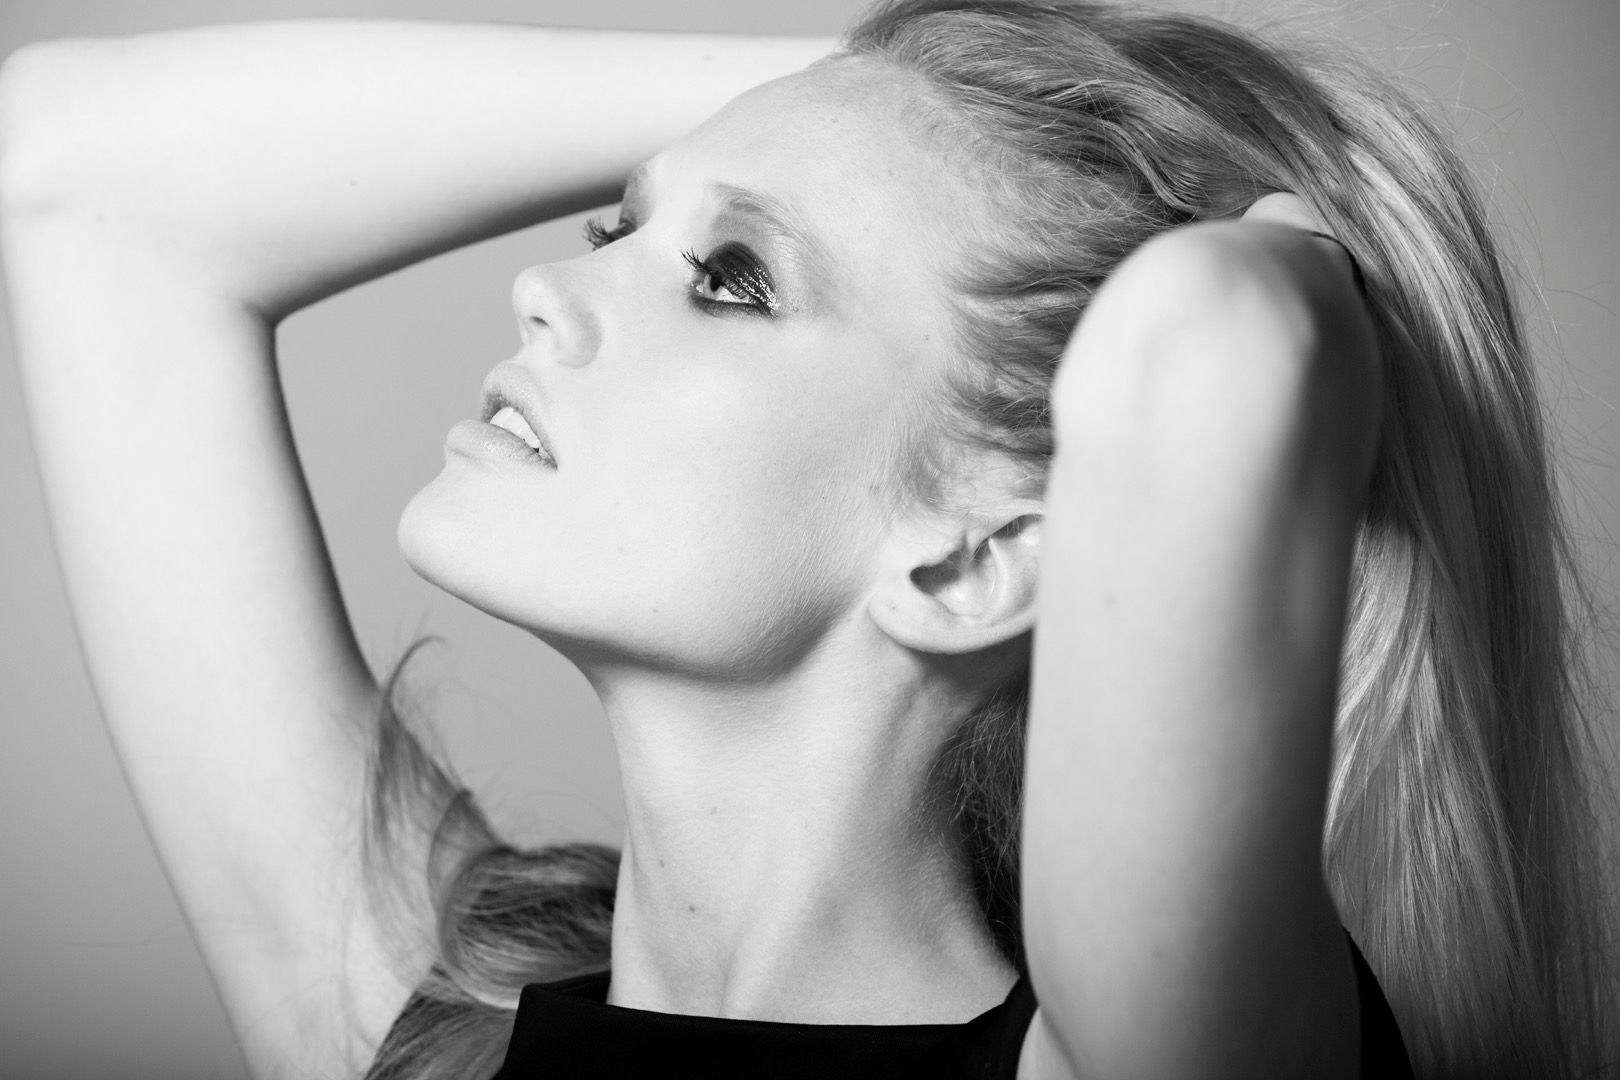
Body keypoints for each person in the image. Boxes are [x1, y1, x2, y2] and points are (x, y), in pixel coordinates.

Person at [0, 0, 1611, 1076]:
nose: (545, 288)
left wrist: (1290, 226)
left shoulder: (1136, 1053)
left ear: (972, 559)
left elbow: (1209, 349)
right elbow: (73, 177)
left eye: (731, 280)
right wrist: (884, 85)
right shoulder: (447, 1027)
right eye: (620, 224)